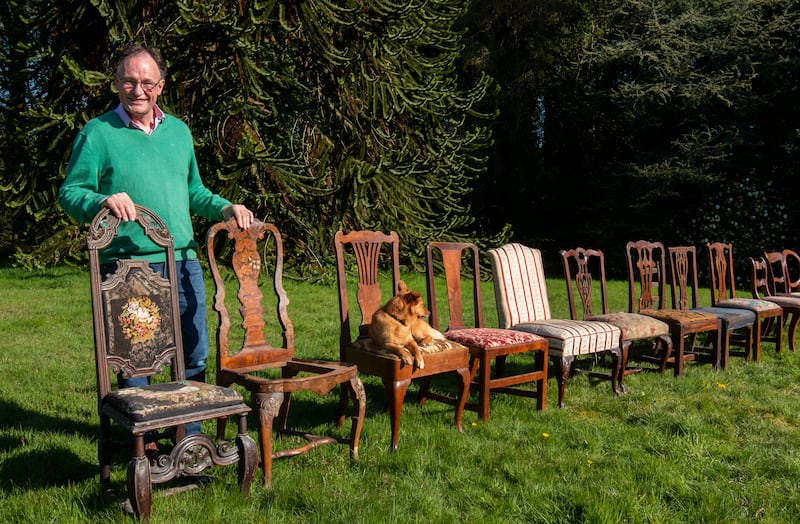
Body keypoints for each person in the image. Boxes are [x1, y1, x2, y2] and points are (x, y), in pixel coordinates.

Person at [59, 43, 254, 438]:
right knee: (138, 362)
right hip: (130, 268)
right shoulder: (97, 134)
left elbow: (194, 191)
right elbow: (70, 193)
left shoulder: (179, 132)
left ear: (160, 86)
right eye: (129, 81)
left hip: (183, 260)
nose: (137, 90)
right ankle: (142, 445)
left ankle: (191, 438)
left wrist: (225, 207)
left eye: (146, 82)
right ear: (116, 83)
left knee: (194, 352)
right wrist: (102, 200)